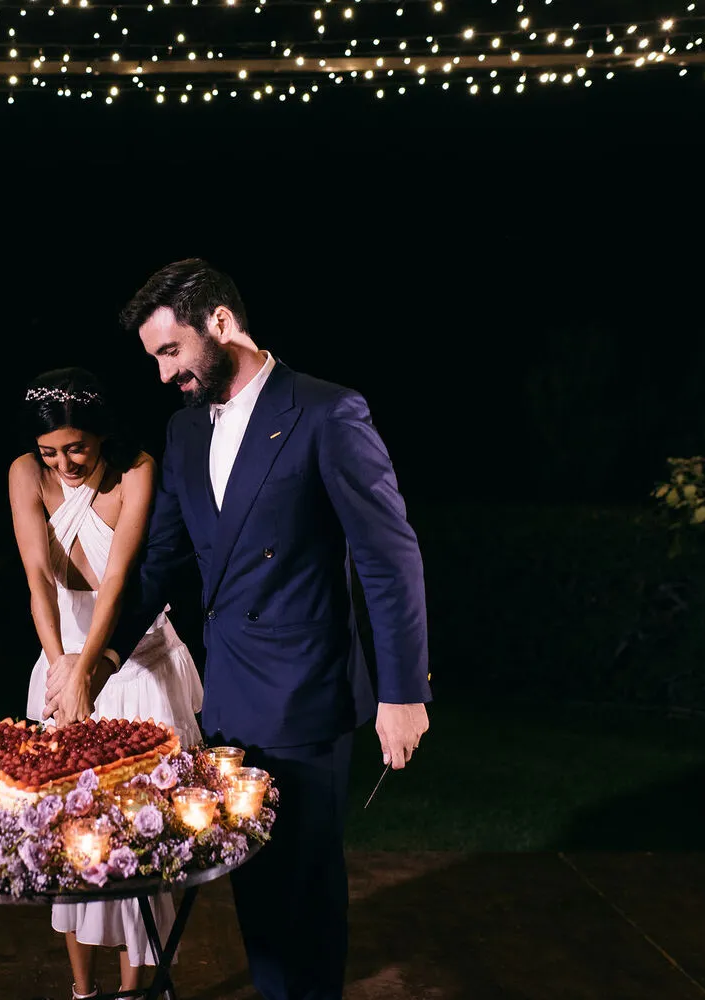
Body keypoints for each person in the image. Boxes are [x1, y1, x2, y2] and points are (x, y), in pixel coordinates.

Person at [45, 259, 432, 1000]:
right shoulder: (186, 431)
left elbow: (390, 557)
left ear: (220, 324)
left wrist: (402, 690)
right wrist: (99, 659)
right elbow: (160, 563)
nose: (163, 375)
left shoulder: (327, 412)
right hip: (227, 698)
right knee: (254, 884)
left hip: (307, 693)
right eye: (155, 358)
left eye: (171, 353)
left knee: (306, 893)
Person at [10, 366, 204, 1000]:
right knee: (68, 830)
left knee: (138, 830)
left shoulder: (137, 470)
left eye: (76, 448)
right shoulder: (24, 475)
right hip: (62, 656)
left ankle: (135, 990)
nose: (63, 462)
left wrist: (91, 668)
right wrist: (62, 670)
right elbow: (38, 577)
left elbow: (120, 581)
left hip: (132, 658)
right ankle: (81, 990)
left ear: (101, 437)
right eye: (50, 452)